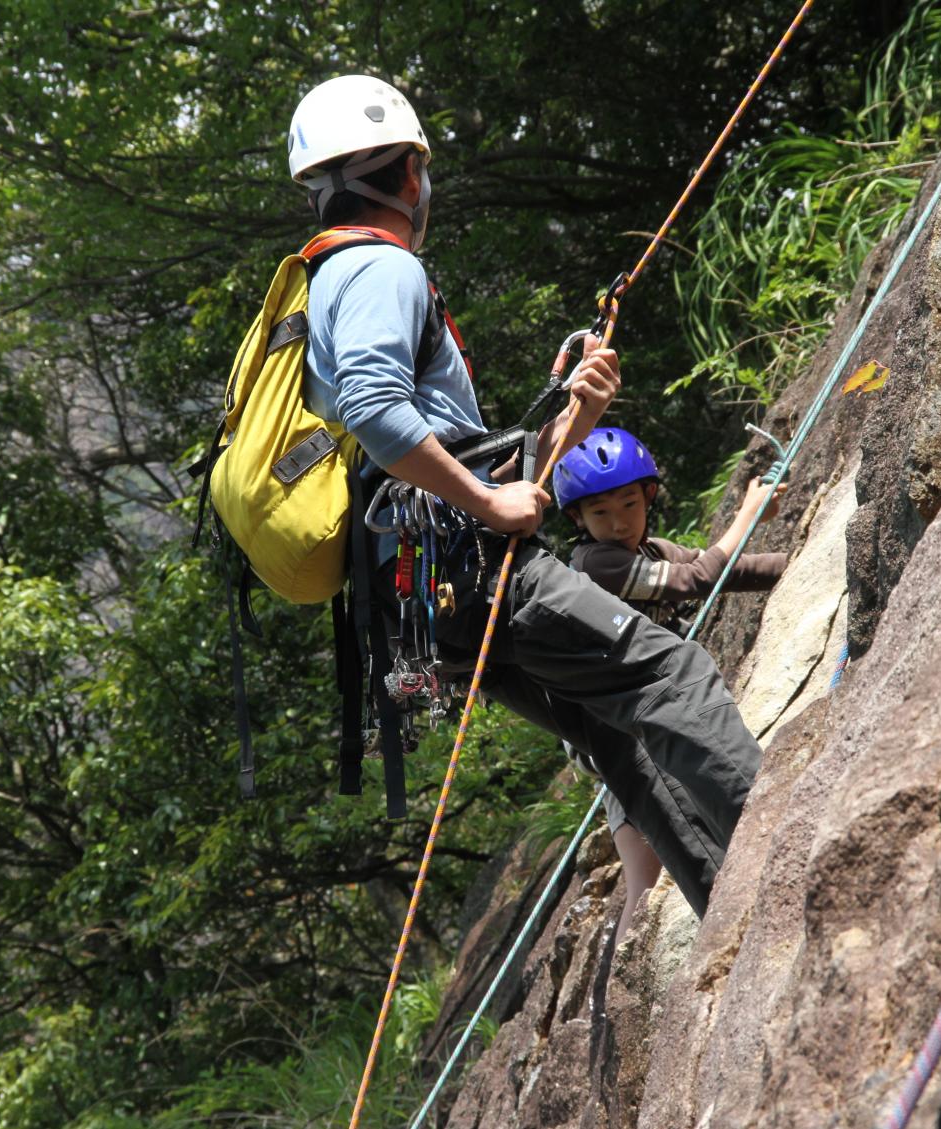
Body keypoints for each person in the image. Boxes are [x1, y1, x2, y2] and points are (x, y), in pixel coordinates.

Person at [289, 74, 766, 918]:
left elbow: (422, 437)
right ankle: (789, 858)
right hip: (467, 562)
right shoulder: (379, 267)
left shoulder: (323, 279)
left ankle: (735, 903)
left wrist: (567, 417)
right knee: (675, 675)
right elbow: (373, 407)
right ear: (408, 176)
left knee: (613, 728)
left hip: (426, 590)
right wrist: (487, 504)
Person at [553, 427, 787, 940]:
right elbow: (696, 581)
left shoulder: (650, 551)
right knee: (643, 872)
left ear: (649, 496)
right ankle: (627, 989)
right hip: (616, 735)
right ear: (577, 519)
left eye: (630, 504)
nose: (618, 524)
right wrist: (746, 517)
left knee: (656, 859)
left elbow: (724, 570)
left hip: (643, 720)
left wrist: (795, 565)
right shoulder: (595, 564)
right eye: (600, 514)